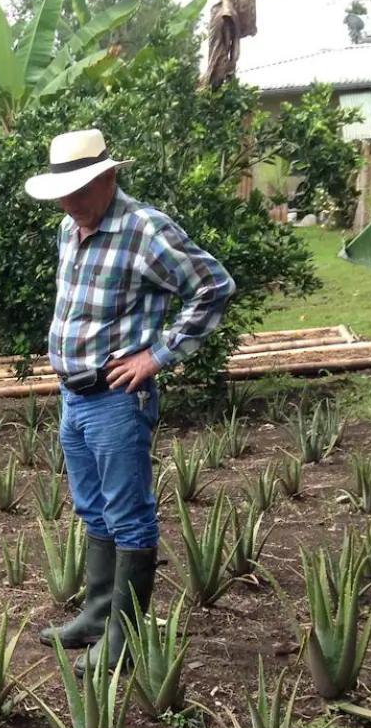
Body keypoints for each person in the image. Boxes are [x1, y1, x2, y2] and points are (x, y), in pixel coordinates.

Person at [24, 128, 235, 671]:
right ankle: (96, 616)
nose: (70, 203)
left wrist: (157, 356)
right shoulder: (70, 232)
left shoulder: (144, 229)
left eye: (80, 190)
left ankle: (124, 637)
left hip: (118, 399)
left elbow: (213, 285)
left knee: (128, 514)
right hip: (74, 396)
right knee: (92, 508)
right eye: (62, 193)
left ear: (109, 177)